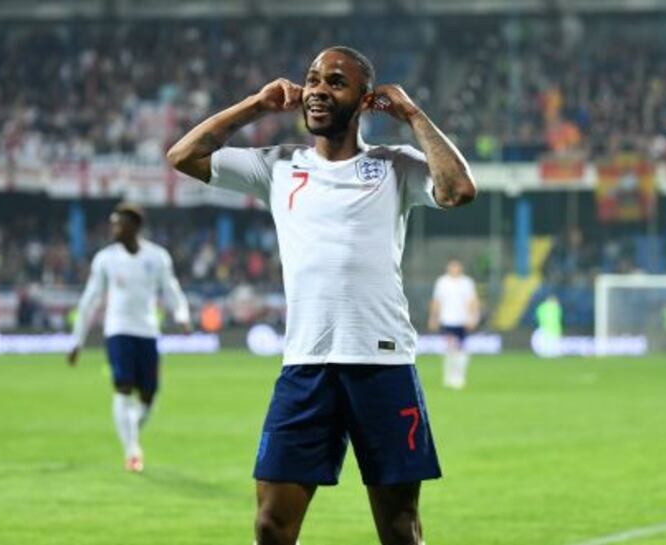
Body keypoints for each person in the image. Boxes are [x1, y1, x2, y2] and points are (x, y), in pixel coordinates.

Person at [167, 46, 476, 545]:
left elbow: (459, 188)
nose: (317, 90)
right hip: (306, 366)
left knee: (400, 529)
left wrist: (414, 115)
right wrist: (256, 106)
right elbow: (182, 156)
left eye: (335, 82)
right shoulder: (279, 166)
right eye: (313, 79)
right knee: (270, 525)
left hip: (382, 364)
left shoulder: (395, 165)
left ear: (365, 100)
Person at [67, 203, 192, 473]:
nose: (114, 228)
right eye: (112, 223)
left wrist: (181, 314)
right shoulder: (105, 259)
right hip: (118, 331)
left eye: (119, 223)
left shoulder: (157, 257)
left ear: (134, 226)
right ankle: (132, 450)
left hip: (147, 331)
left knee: (149, 395)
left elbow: (171, 289)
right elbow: (90, 299)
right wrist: (77, 340)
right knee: (123, 387)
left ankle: (130, 431)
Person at [427, 259, 479, 390]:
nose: (454, 269)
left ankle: (459, 377)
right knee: (450, 349)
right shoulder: (442, 282)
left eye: (456, 267)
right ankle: (448, 377)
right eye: (452, 267)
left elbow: (472, 301)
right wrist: (433, 317)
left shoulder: (467, 282)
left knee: (461, 349)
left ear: (460, 268)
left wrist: (473, 317)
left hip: (462, 320)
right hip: (447, 320)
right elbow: (436, 301)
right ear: (448, 268)